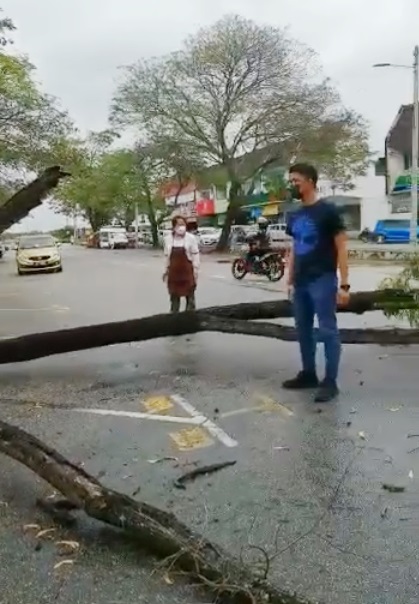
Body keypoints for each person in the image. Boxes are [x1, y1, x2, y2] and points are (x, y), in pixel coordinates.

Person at [283, 163, 350, 403]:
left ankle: (330, 381)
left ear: (310, 181)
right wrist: (289, 279)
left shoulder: (328, 211)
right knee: (303, 330)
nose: (293, 185)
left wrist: (344, 285)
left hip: (322, 279)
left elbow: (341, 246)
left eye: (296, 181)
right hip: (300, 282)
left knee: (327, 330)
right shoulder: (294, 213)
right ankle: (308, 373)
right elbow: (293, 247)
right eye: (291, 181)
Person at [163, 215, 200, 312]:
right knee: (174, 298)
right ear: (174, 227)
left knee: (190, 298)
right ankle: (174, 319)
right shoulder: (168, 239)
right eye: (179, 224)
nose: (181, 227)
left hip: (187, 273)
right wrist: (165, 271)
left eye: (183, 224)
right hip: (174, 274)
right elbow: (167, 256)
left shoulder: (191, 238)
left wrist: (196, 270)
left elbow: (195, 254)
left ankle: (190, 319)